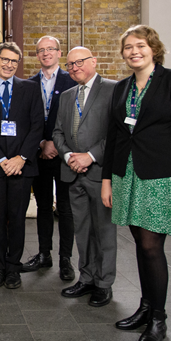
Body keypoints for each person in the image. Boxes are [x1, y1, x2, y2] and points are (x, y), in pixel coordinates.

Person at [102, 25, 171, 341]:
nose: (134, 51)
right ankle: (146, 306)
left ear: (153, 48)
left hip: (159, 178)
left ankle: (158, 319)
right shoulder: (121, 88)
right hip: (125, 176)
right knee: (140, 248)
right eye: (128, 47)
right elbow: (115, 137)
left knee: (151, 246)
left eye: (140, 45)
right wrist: (106, 180)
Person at [0, 42, 44, 289]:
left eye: (14, 61)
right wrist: (2, 160)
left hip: (22, 167)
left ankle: (13, 268)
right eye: (5, 59)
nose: (9, 65)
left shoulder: (31, 89)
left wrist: (21, 158)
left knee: (17, 219)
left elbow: (37, 126)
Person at [53, 46, 117, 307]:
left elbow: (116, 133)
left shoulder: (113, 89)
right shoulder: (67, 95)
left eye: (79, 62)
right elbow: (57, 133)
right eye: (70, 64)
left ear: (94, 60)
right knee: (82, 230)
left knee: (104, 231)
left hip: (100, 173)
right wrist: (69, 156)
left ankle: (104, 283)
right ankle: (87, 277)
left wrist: (89, 156)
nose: (74, 67)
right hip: (72, 172)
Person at [22, 36, 77, 281]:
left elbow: (76, 117)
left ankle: (66, 258)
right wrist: (42, 142)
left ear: (59, 52)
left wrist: (56, 142)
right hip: (38, 152)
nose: (46, 53)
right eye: (41, 50)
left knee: (65, 208)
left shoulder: (70, 80)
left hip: (64, 153)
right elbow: (27, 120)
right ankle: (45, 253)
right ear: (37, 55)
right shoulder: (29, 84)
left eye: (50, 49)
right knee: (43, 206)